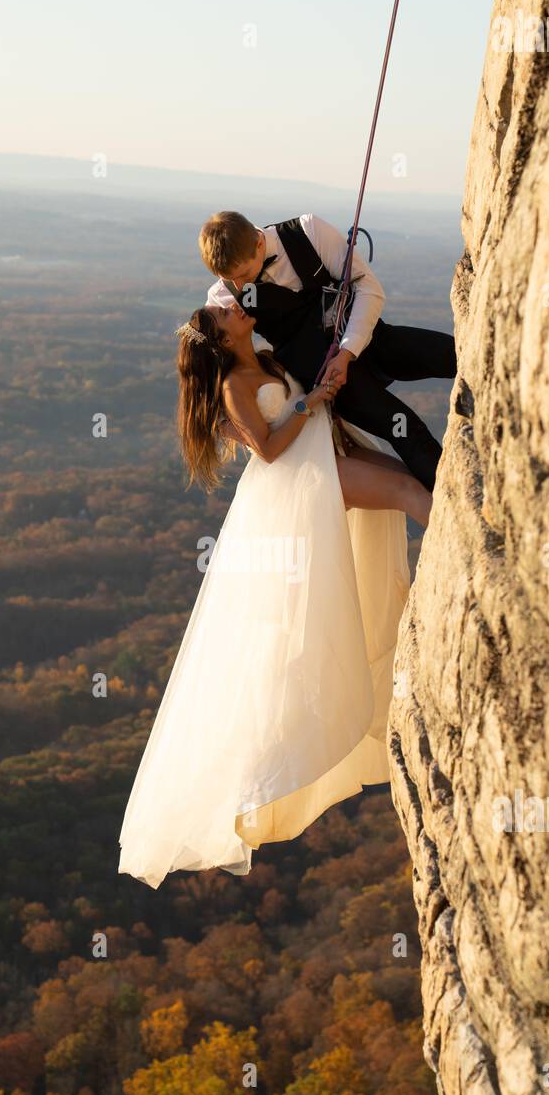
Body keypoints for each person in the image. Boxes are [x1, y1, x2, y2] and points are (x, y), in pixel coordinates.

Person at [117, 300, 430, 889]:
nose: (234, 309)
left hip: (326, 454)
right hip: (301, 481)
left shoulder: (262, 356)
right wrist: (307, 404)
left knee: (407, 481)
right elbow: (265, 448)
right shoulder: (236, 383)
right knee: (409, 492)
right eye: (225, 314)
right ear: (218, 337)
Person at [201, 210, 456, 492]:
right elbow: (208, 375)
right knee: (407, 429)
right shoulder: (222, 300)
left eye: (243, 274)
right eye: (229, 278)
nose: (239, 286)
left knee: (454, 355)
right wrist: (263, 432)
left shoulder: (308, 232)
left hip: (371, 338)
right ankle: (456, 502)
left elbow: (368, 287)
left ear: (259, 244)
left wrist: (347, 352)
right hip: (331, 382)